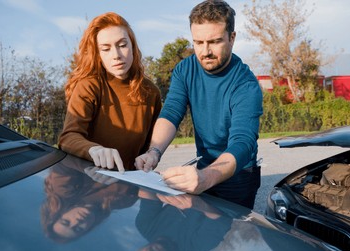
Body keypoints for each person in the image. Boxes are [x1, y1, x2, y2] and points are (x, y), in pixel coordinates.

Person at [135, 0, 263, 209]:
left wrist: (206, 177)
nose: (205, 52)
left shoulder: (246, 85)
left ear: (232, 38)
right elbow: (171, 112)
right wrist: (154, 152)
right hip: (203, 167)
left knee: (229, 237)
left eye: (214, 41)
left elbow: (243, 143)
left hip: (238, 176)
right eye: (198, 42)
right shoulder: (185, 70)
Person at [59, 12, 162, 172]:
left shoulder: (151, 92)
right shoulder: (89, 86)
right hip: (89, 185)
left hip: (129, 187)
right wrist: (93, 149)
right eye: (106, 49)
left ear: (133, 46)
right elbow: (68, 138)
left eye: (122, 45)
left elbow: (149, 147)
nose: (116, 55)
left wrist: (149, 157)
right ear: (98, 54)